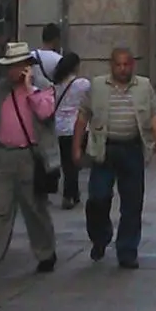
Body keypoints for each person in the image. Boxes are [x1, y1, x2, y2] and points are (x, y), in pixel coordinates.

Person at [0, 42, 57, 280]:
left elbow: (45, 113)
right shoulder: (0, 91)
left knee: (34, 208)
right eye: (9, 66)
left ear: (27, 66)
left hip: (30, 155)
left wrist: (29, 89)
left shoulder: (43, 88)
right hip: (3, 156)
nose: (12, 71)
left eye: (17, 66)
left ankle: (46, 253)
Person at [73, 47, 156, 269]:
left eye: (127, 64)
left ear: (132, 65)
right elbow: (82, 116)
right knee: (98, 197)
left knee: (132, 203)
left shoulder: (143, 86)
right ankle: (100, 236)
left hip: (132, 149)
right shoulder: (96, 86)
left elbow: (155, 115)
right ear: (111, 65)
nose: (122, 69)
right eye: (118, 64)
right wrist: (76, 147)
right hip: (103, 149)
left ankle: (127, 251)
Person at [52, 52, 91, 209]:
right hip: (77, 126)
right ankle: (69, 194)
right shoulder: (83, 84)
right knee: (75, 162)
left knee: (67, 162)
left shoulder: (56, 85)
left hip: (60, 127)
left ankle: (73, 194)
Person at [31, 23, 63, 89]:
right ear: (56, 39)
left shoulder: (31, 56)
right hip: (50, 97)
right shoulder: (59, 59)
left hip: (33, 96)